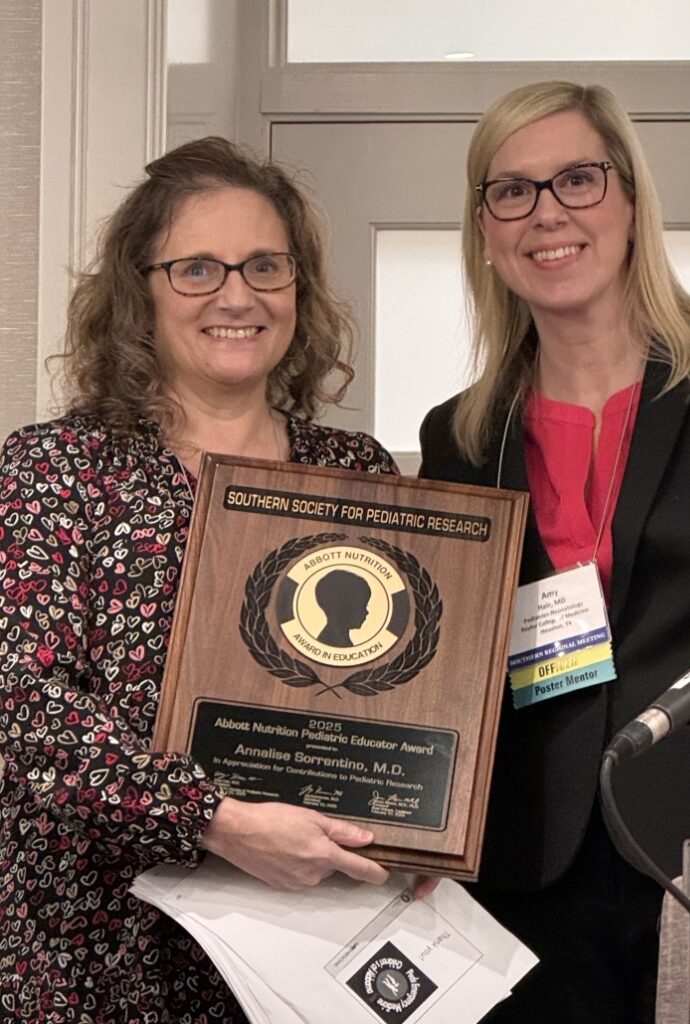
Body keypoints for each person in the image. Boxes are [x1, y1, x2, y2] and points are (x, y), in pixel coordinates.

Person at [0, 137, 397, 1024]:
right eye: (197, 269)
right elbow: (25, 710)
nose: (237, 295)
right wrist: (212, 818)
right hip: (98, 954)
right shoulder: (57, 470)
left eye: (265, 265)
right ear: (139, 289)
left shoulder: (357, 473)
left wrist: (419, 835)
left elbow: (396, 706)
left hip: (307, 951)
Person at [418, 80, 690, 1023]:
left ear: (631, 199)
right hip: (528, 863)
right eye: (510, 190)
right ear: (483, 227)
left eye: (576, 179)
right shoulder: (460, 434)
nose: (546, 213)